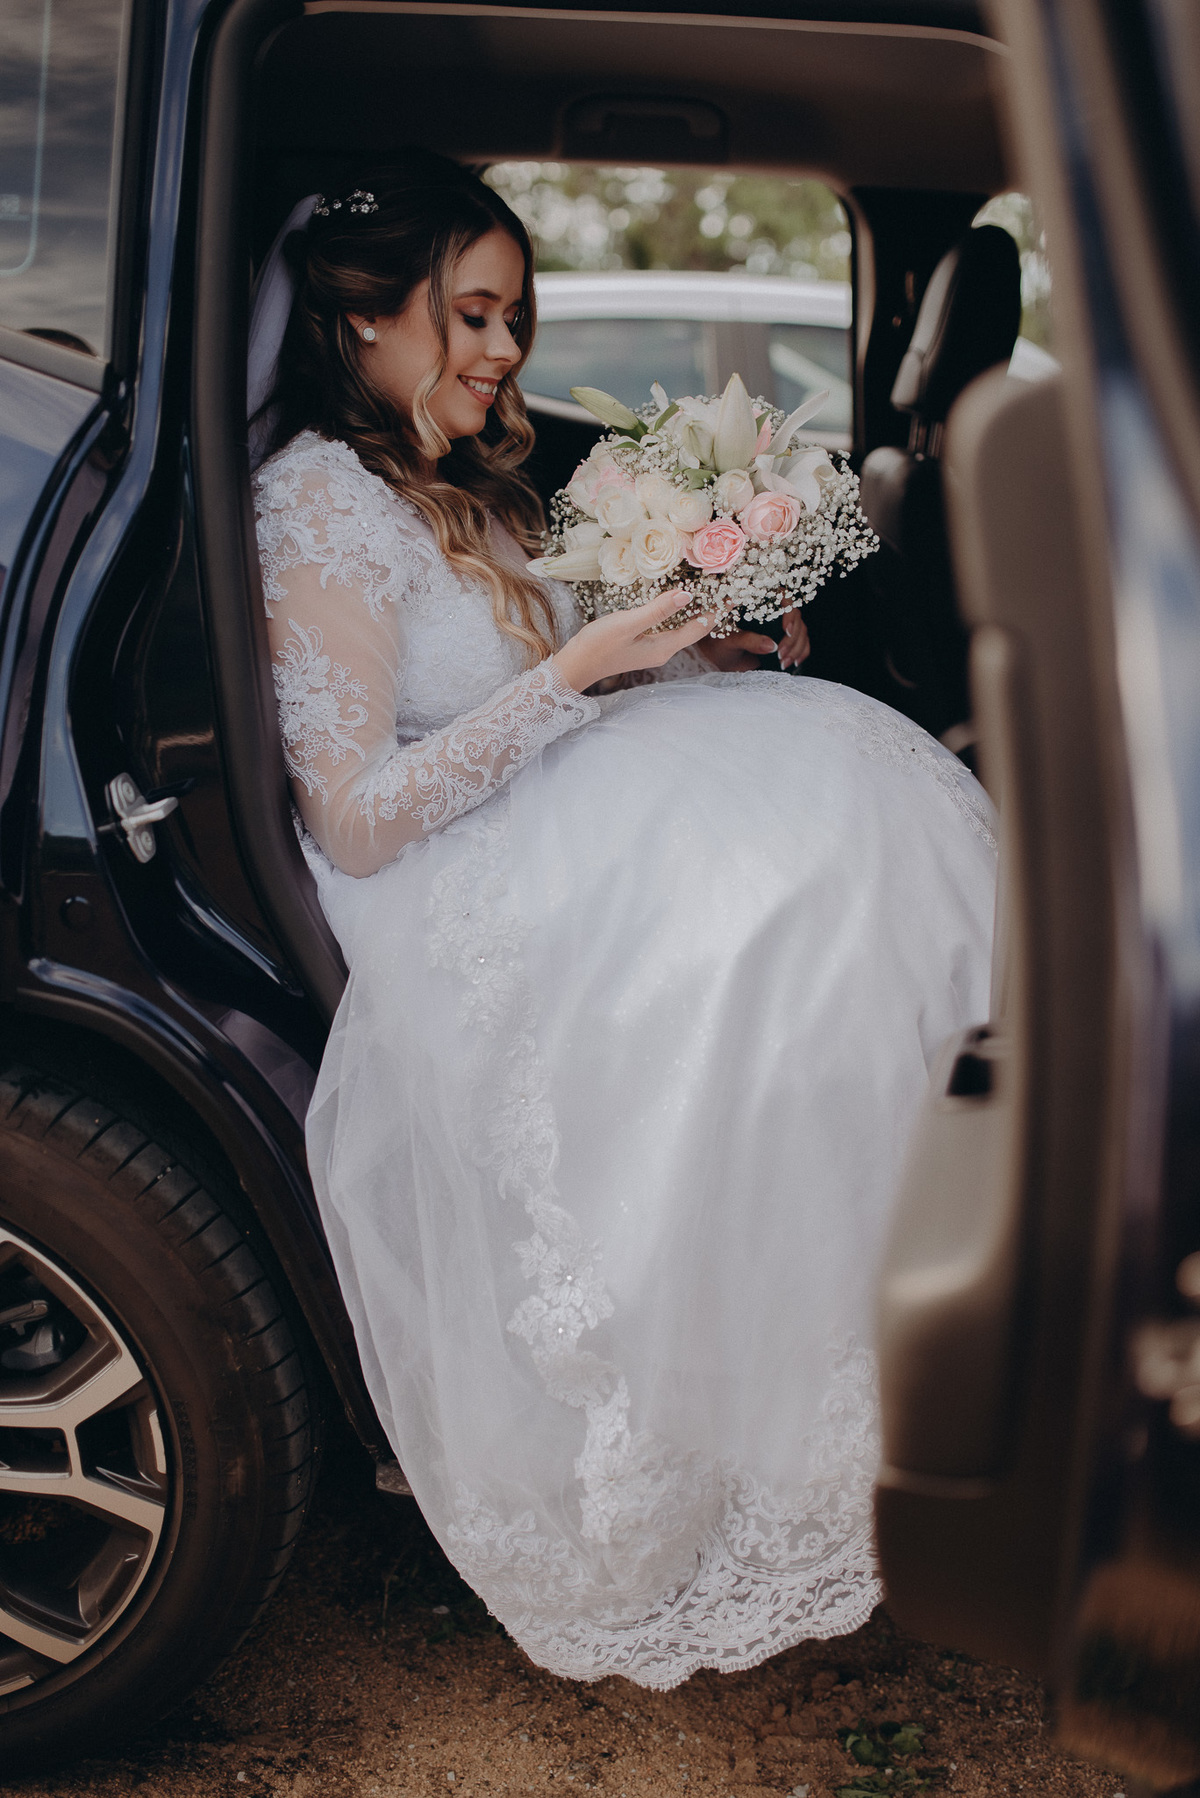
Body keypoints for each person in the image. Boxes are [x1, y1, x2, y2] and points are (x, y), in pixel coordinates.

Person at [250, 151, 996, 1687]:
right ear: (363, 316)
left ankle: (893, 1350)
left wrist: (690, 649)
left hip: (550, 788)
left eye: (515, 315)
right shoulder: (317, 499)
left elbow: (540, 676)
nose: (503, 350)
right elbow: (357, 811)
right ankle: (770, 1409)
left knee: (861, 822)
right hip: (454, 873)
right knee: (781, 929)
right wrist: (583, 678)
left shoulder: (445, 474)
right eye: (470, 313)